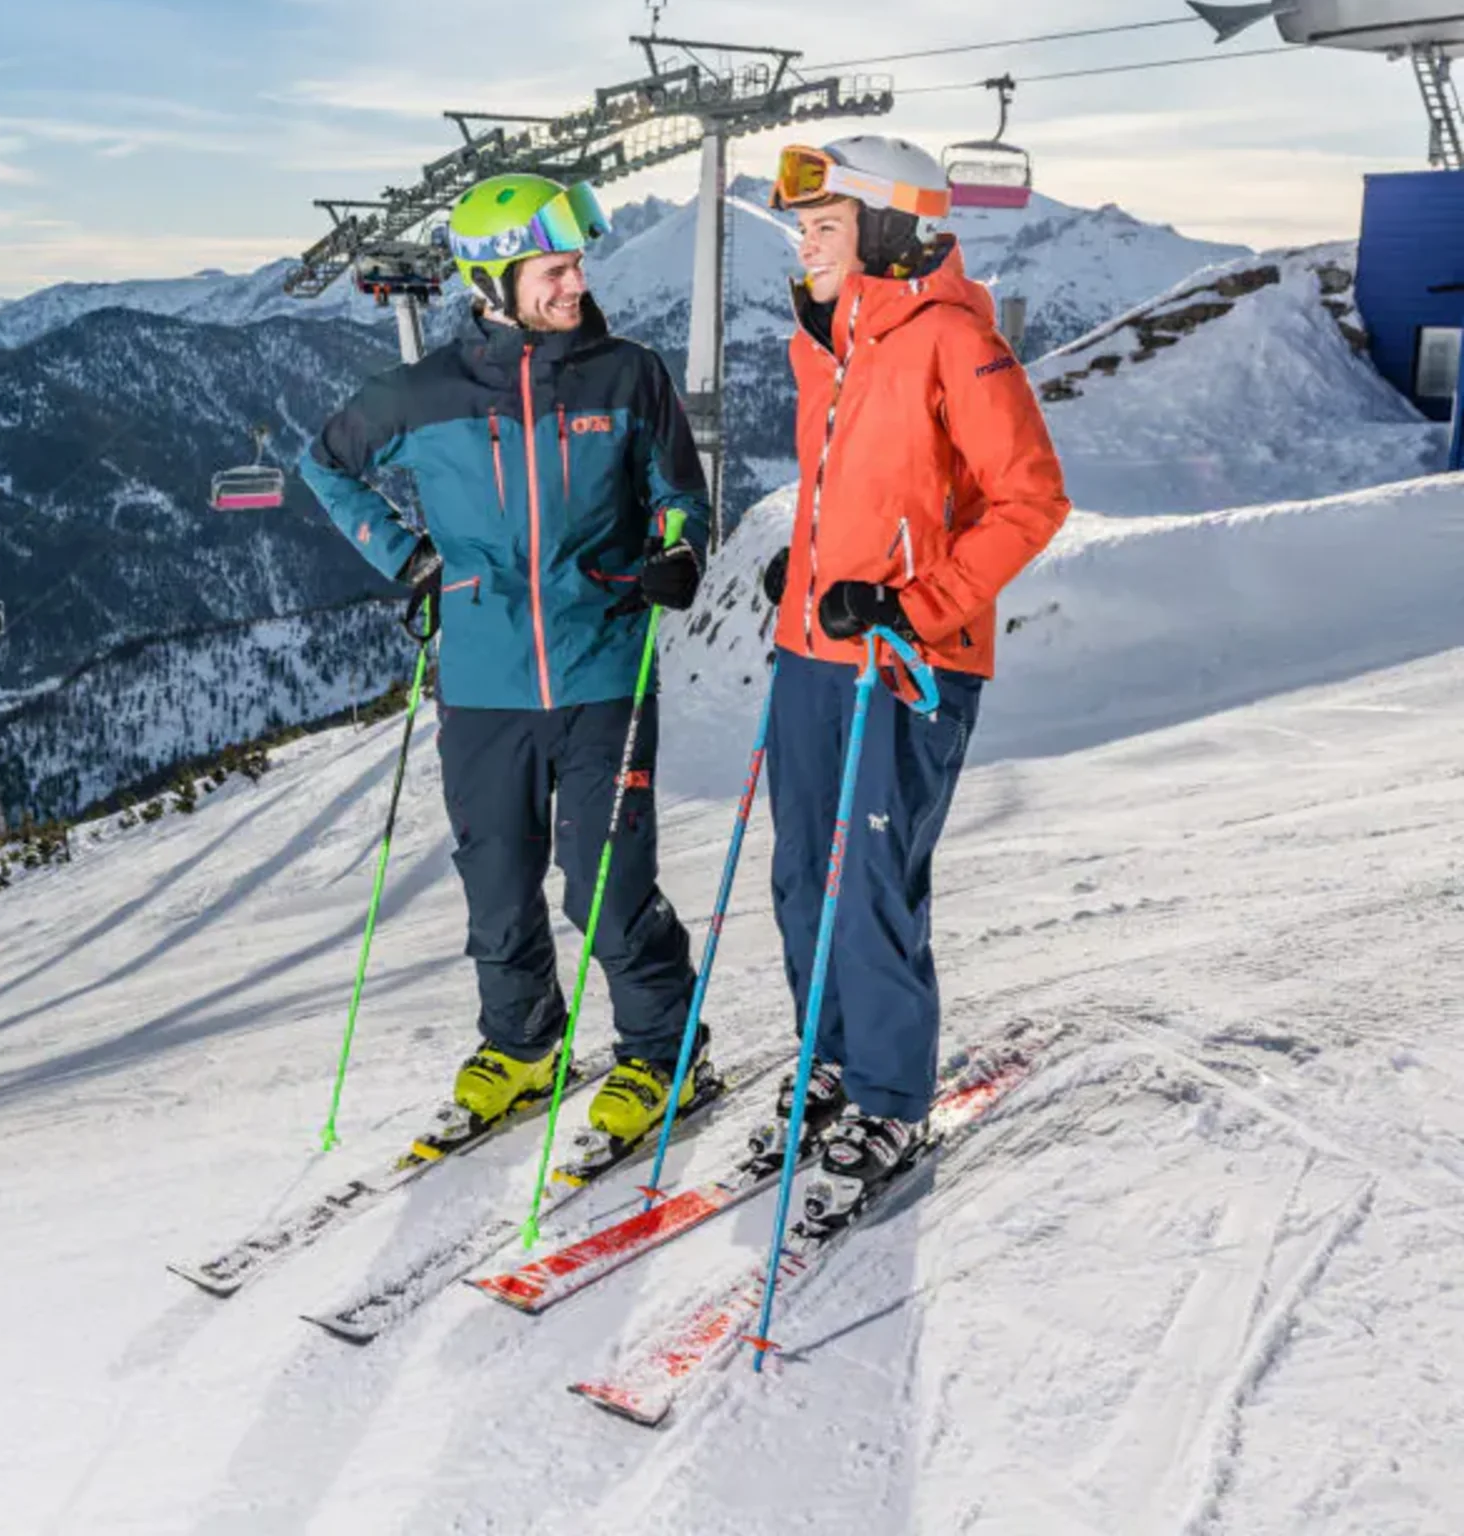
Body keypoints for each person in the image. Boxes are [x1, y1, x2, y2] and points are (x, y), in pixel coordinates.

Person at [302, 172, 713, 1144]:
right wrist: (405, 556)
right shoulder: (426, 391)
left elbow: (679, 496)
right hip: (482, 679)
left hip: (602, 665)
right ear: (493, 277)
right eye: (556, 269)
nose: (576, 286)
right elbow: (325, 463)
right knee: (496, 877)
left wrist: (681, 551)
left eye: (577, 267)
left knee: (605, 884)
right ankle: (525, 1047)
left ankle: (663, 1058)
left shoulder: (629, 375)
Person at [759, 134, 1069, 1217]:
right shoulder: (830, 340)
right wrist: (796, 566)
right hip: (809, 652)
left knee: (871, 883)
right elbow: (855, 493)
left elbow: (1030, 499)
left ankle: (891, 1094)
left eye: (827, 224)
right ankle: (832, 1061)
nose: (806, 243)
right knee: (801, 876)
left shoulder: (952, 341)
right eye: (804, 226)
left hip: (905, 663)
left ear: (890, 231)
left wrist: (911, 604)